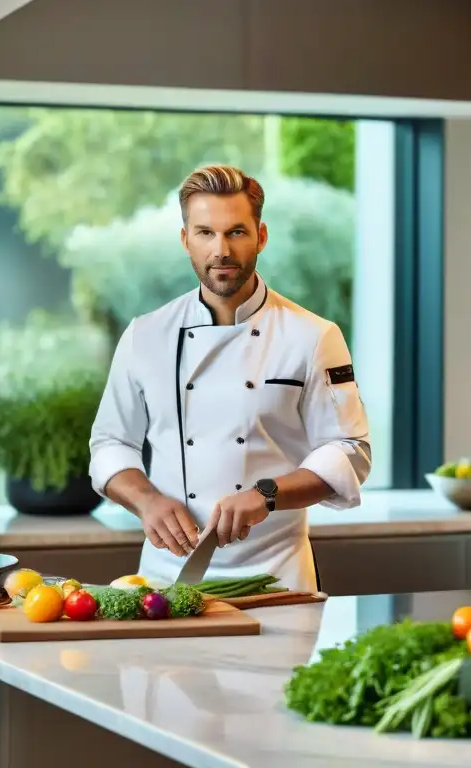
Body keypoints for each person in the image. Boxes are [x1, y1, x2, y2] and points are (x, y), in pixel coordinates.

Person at [88, 164, 372, 592]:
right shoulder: (145, 335)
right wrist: (146, 501)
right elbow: (110, 444)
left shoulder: (313, 336)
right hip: (165, 578)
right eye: (205, 233)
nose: (220, 249)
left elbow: (350, 451)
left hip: (275, 577)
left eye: (236, 232)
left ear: (261, 236)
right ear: (186, 240)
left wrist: (267, 494)